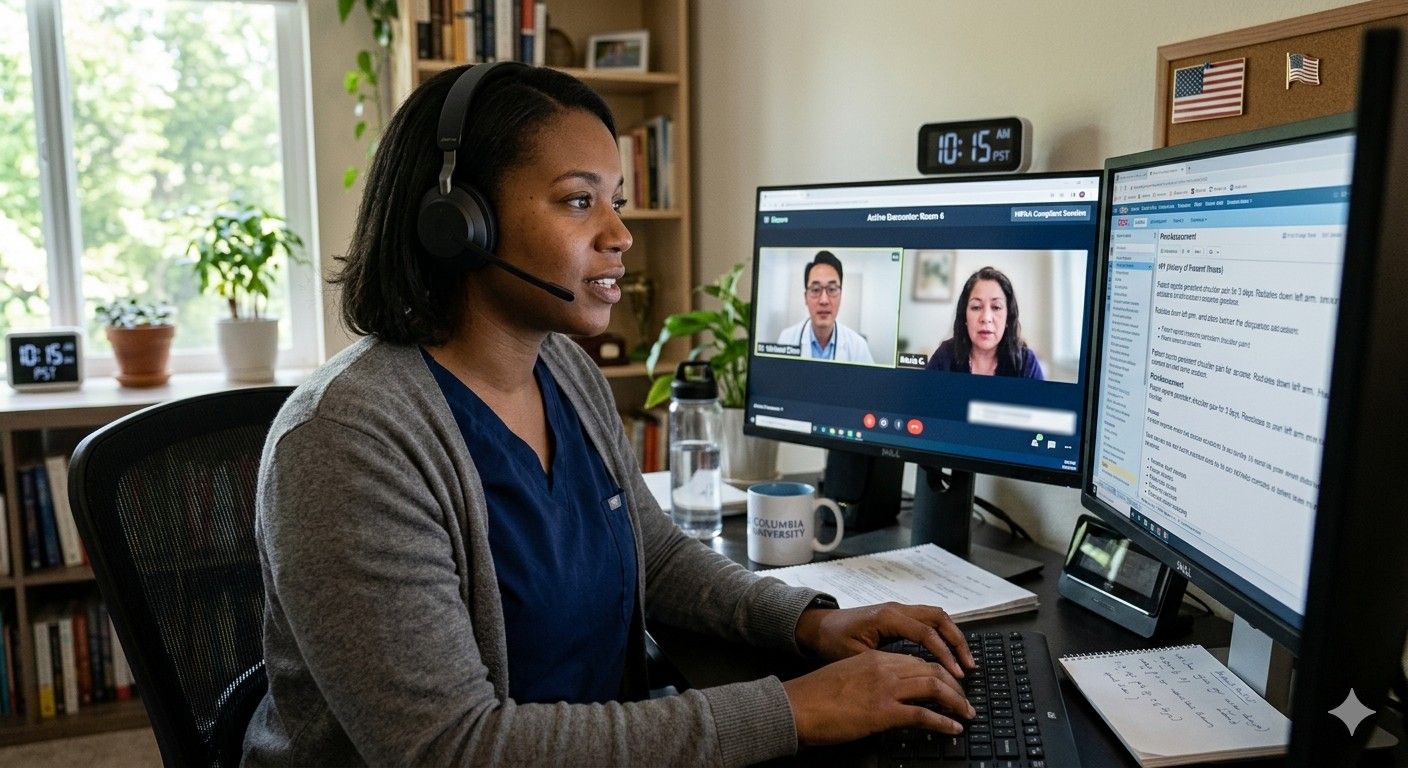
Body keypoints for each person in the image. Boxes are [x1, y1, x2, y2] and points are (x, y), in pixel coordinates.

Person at [243, 63, 975, 767]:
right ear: (458, 222)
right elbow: (450, 748)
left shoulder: (560, 368)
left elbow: (652, 555)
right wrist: (794, 711)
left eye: (616, 200)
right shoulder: (346, 443)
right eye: (577, 200)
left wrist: (810, 622)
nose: (620, 235)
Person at [925, 266, 1045, 379]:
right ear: (965, 317)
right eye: (976, 307)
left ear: (1008, 318)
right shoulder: (945, 355)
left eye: (996, 307)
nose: (986, 318)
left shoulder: (1026, 363)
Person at [775, 250, 875, 363]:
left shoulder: (858, 346)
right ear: (805, 298)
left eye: (832, 289)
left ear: (840, 296)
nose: (824, 300)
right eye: (816, 289)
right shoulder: (786, 339)